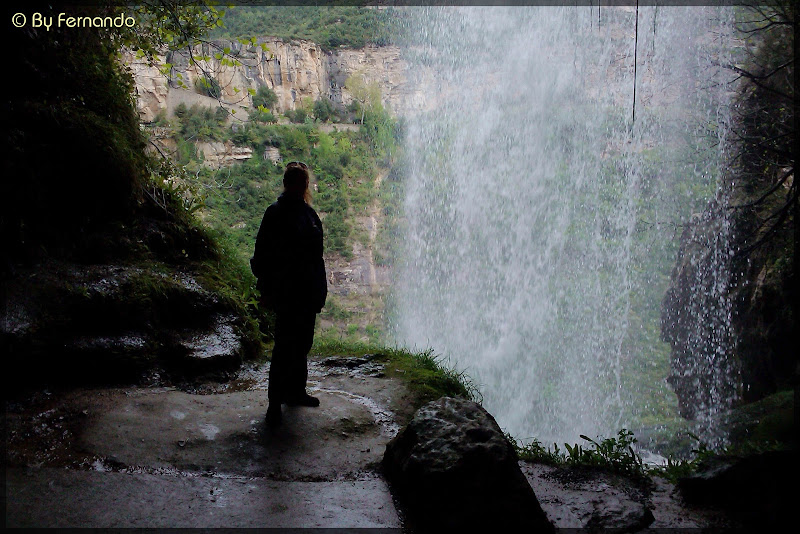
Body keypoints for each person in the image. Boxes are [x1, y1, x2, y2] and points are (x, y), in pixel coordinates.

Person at [251, 161, 327, 426]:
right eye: (298, 182)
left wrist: (318, 291)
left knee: (301, 344)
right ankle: (275, 402)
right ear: (289, 184)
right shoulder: (279, 214)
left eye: (302, 182)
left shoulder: (306, 214)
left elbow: (316, 259)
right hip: (288, 292)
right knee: (286, 345)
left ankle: (295, 392)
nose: (300, 186)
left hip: (303, 292)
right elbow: (263, 256)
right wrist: (269, 289)